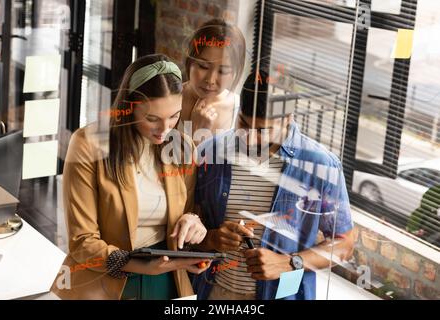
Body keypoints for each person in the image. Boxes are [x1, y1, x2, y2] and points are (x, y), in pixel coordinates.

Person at [51, 54, 209, 300]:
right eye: (152, 119)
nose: (165, 130)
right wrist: (140, 265)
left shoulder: (182, 148)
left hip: (167, 280)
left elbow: (186, 213)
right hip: (103, 277)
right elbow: (82, 242)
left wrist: (192, 223)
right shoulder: (87, 144)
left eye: (174, 116)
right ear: (128, 108)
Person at [192, 70, 355, 300]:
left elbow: (344, 245)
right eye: (243, 124)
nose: (249, 137)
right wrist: (210, 239)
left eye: (262, 130)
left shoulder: (320, 165)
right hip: (212, 292)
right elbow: (190, 222)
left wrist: (289, 263)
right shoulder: (212, 152)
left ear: (288, 119)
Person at [180, 18, 246, 141]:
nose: (210, 80)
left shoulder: (241, 112)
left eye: (223, 71)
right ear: (191, 60)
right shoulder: (168, 99)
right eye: (203, 66)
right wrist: (196, 134)